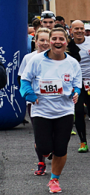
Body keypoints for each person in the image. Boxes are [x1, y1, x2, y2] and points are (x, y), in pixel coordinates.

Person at [20, 27, 82, 193]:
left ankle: (54, 179)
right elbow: (24, 81)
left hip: (65, 111)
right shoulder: (36, 60)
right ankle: (47, 151)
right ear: (50, 41)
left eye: (61, 39)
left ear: (66, 42)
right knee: (44, 148)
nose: (57, 42)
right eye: (54, 38)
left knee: (61, 149)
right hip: (42, 110)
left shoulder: (72, 63)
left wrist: (76, 93)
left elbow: (77, 85)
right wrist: (30, 96)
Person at [20, 28, 51, 176]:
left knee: (52, 132)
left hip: (54, 102)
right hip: (36, 102)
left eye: (47, 40)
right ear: (35, 41)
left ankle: (50, 149)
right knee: (39, 133)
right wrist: (30, 95)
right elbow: (23, 79)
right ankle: (41, 163)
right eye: (41, 40)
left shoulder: (58, 58)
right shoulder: (29, 58)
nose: (44, 44)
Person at [70, 20, 90, 153]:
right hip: (76, 83)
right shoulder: (68, 45)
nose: (79, 31)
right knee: (78, 111)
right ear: (71, 30)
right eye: (76, 28)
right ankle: (83, 142)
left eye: (81, 28)